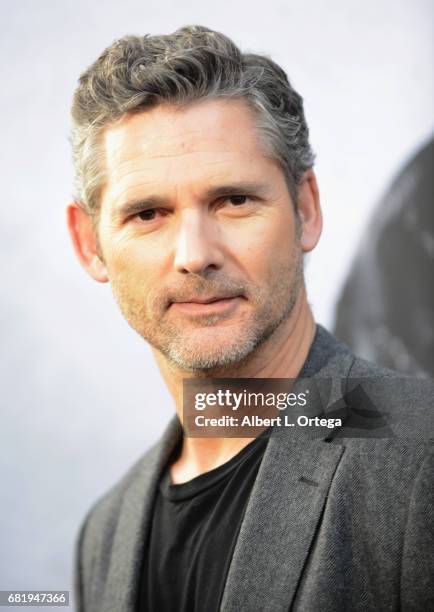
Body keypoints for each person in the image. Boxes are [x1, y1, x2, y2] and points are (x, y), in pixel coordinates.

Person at [67, 26, 433, 612]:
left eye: (233, 200)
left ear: (305, 209)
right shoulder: (103, 536)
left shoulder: (421, 451)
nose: (194, 253)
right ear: (90, 244)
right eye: (148, 213)